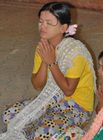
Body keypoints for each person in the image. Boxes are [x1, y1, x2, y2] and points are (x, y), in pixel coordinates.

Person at [2, 2, 96, 140]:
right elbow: (38, 85)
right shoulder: (42, 47)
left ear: (63, 27)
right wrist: (45, 61)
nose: (42, 26)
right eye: (40, 21)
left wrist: (52, 62)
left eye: (49, 23)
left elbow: (68, 90)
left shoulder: (76, 53)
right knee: (9, 115)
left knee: (40, 132)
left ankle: (74, 133)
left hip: (77, 107)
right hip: (50, 100)